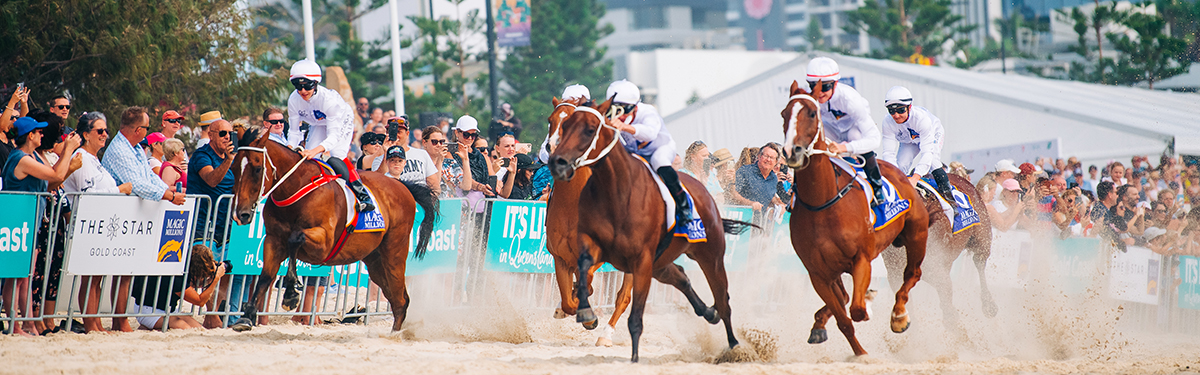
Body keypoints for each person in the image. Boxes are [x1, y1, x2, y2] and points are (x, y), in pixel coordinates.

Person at [103, 107, 186, 331]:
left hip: (131, 215)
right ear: (139, 130)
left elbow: (149, 177)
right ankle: (117, 319)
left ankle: (120, 318)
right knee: (118, 270)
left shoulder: (136, 149)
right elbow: (137, 184)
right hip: (117, 214)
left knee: (127, 270)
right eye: (147, 128)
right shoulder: (119, 149)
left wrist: (170, 195)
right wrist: (169, 195)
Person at [1, 116, 80, 336]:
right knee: (15, 278)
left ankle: (28, 324)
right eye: (38, 131)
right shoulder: (22, 158)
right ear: (29, 135)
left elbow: (55, 178)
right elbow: (56, 174)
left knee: (25, 276)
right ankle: (15, 326)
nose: (42, 134)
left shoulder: (33, 155)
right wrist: (69, 151)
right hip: (18, 220)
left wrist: (66, 155)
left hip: (30, 220)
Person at [63, 112, 134, 333]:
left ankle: (93, 322)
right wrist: (119, 190)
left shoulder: (94, 159)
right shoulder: (81, 158)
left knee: (97, 277)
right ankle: (90, 323)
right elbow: (89, 194)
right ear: (86, 134)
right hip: (87, 222)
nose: (105, 134)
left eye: (106, 130)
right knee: (90, 277)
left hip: (100, 223)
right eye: (100, 131)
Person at [286, 59, 375, 212]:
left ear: (315, 83)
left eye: (307, 86)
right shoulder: (293, 100)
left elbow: (333, 137)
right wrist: (289, 149)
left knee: (336, 155)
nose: (302, 91)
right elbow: (293, 132)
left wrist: (314, 150)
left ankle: (362, 194)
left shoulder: (328, 100)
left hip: (341, 121)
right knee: (311, 160)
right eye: (297, 86)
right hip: (318, 123)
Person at [604, 79, 691, 220]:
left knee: (659, 161)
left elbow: (650, 133)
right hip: (634, 153)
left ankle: (683, 204)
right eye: (614, 108)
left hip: (658, 148)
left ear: (634, 107)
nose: (620, 114)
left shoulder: (648, 111)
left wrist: (624, 127)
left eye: (623, 109)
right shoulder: (610, 118)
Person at [804, 57, 884, 205]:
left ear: (836, 84)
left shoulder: (851, 100)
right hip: (832, 129)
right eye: (814, 86)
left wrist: (844, 147)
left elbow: (874, 139)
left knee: (854, 135)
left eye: (825, 87)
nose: (819, 92)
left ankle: (877, 187)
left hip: (853, 129)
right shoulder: (809, 98)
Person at [878, 86, 953, 202]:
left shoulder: (922, 119)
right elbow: (888, 153)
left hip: (932, 134)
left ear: (909, 107)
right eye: (891, 111)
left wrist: (915, 178)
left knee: (933, 161)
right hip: (909, 141)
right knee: (901, 165)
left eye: (901, 110)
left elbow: (927, 152)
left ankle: (950, 199)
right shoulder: (887, 122)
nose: (896, 115)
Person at [128, 244, 225, 330]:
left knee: (198, 329)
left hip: (170, 310)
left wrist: (214, 273)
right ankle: (149, 326)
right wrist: (216, 278)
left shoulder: (181, 267)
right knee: (185, 328)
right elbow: (199, 301)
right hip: (149, 311)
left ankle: (149, 327)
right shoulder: (177, 277)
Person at [735, 143, 782, 220]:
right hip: (743, 221)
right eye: (766, 156)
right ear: (759, 156)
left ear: (776, 162)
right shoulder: (745, 171)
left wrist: (779, 205)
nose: (768, 160)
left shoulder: (774, 178)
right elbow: (733, 194)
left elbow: (770, 196)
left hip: (761, 224)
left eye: (772, 158)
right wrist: (750, 204)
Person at [423, 126, 474, 197]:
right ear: (424, 143)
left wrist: (465, 159)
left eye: (441, 142)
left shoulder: (450, 163)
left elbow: (466, 186)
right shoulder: (421, 164)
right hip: (434, 205)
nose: (439, 145)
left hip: (452, 205)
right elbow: (435, 188)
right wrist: (439, 161)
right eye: (434, 142)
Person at [391, 117, 439, 188]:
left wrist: (427, 198)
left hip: (421, 196)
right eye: (392, 132)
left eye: (399, 132)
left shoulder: (421, 154)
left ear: (407, 134)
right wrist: (386, 152)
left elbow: (435, 185)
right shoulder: (381, 158)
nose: (396, 135)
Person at [1, 86, 31, 167]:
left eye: (17, 117)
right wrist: (12, 102)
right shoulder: (1, 133)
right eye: (11, 117)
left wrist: (24, 103)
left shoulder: (14, 136)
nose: (15, 120)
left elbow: (24, 123)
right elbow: (2, 126)